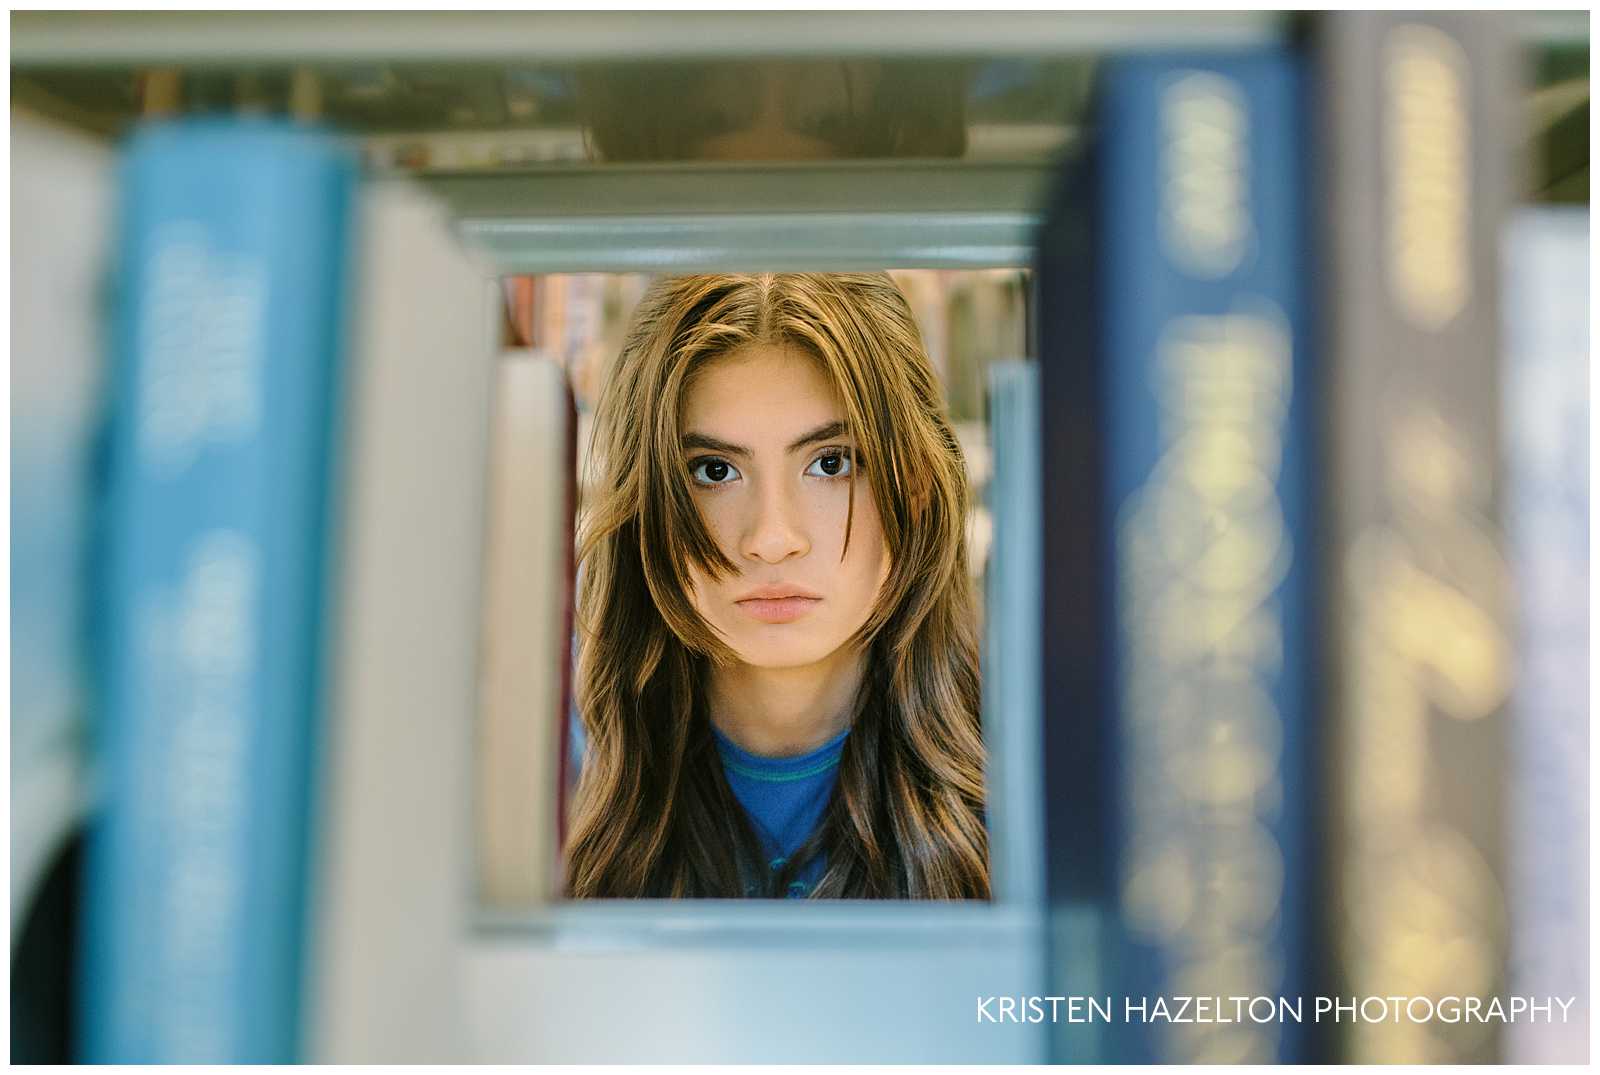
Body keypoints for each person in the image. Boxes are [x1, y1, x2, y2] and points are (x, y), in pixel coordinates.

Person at [564, 272, 989, 900]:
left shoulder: (1027, 784)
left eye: (830, 463)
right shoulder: (556, 770)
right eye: (714, 471)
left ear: (918, 487)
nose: (771, 537)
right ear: (646, 505)